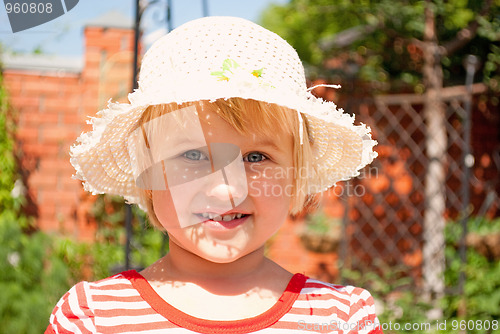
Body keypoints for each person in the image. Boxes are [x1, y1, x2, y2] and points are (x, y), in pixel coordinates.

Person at [45, 16, 381, 333]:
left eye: (256, 157)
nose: (226, 190)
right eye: (192, 155)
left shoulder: (339, 317)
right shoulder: (94, 317)